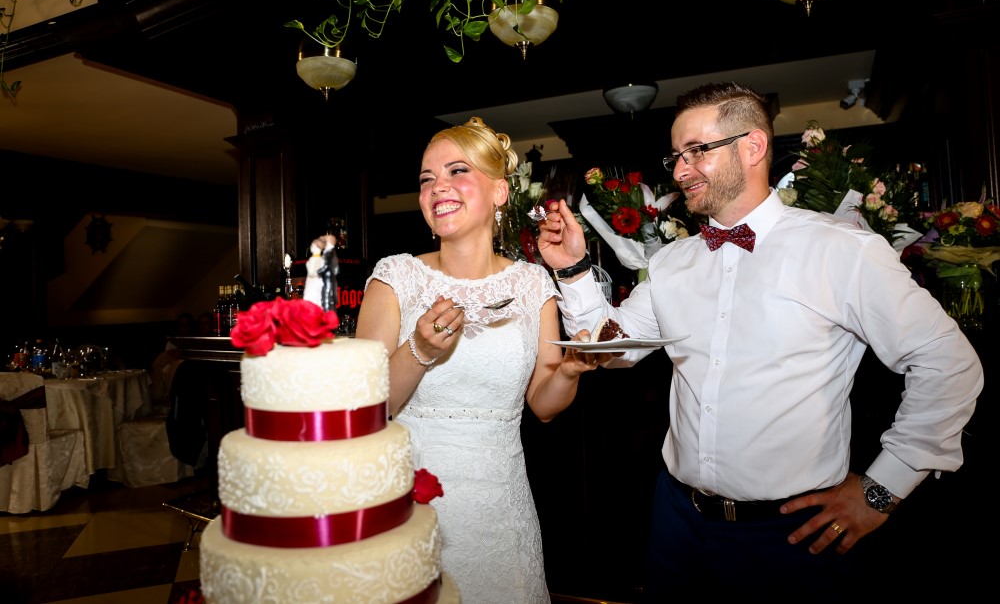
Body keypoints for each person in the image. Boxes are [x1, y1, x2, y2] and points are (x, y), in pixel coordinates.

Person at [536, 82, 983, 598]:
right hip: (677, 520)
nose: (679, 171)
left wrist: (882, 489)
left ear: (752, 147)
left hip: (791, 536)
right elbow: (613, 348)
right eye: (676, 156)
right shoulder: (672, 262)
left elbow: (949, 364)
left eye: (696, 151)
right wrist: (572, 270)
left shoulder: (843, 250)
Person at [315, 116, 593, 603]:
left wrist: (568, 371)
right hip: (412, 502)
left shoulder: (532, 284)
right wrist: (420, 351)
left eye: (457, 171)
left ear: (500, 191)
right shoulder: (395, 278)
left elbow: (544, 406)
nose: (437, 187)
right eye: (427, 179)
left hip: (502, 508)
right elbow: (365, 410)